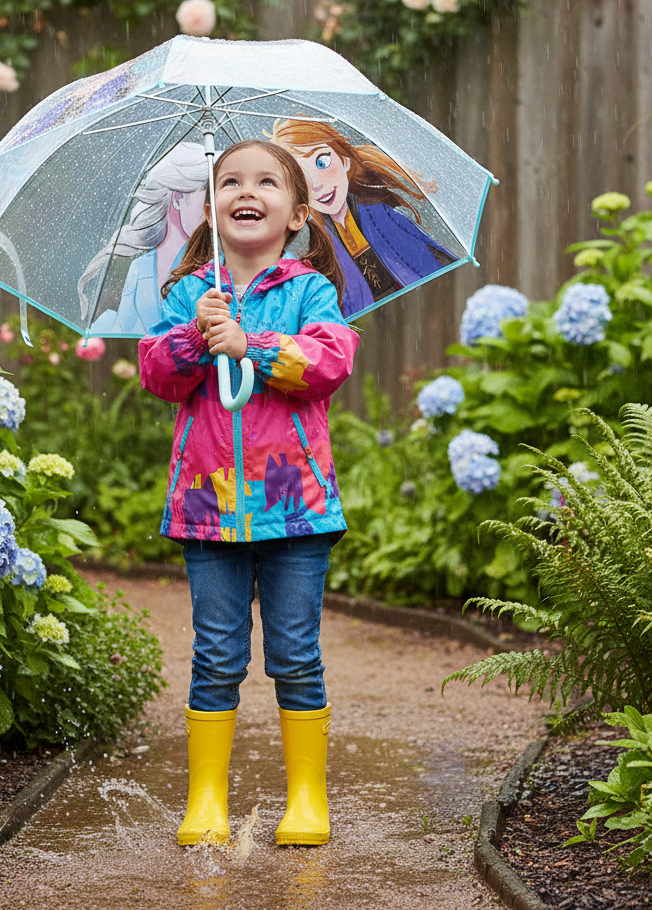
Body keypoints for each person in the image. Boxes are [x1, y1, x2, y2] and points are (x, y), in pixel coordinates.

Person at [138, 139, 359, 848]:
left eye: (267, 182)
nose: (247, 190)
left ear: (297, 213)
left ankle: (307, 798)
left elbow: (328, 362)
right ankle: (207, 800)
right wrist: (199, 339)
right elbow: (156, 372)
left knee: (294, 652)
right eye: (231, 180)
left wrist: (252, 345)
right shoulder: (188, 293)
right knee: (217, 655)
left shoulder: (311, 291)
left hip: (294, 507)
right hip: (208, 509)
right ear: (211, 204)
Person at [271, 118, 459, 318]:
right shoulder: (312, 243)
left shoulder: (383, 214)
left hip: (419, 308)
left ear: (344, 161)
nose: (316, 185)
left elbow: (425, 260)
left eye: (322, 162)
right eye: (301, 177)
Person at [78, 141, 209, 333]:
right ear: (178, 198)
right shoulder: (139, 268)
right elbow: (123, 329)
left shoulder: (214, 268)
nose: (211, 208)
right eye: (206, 197)